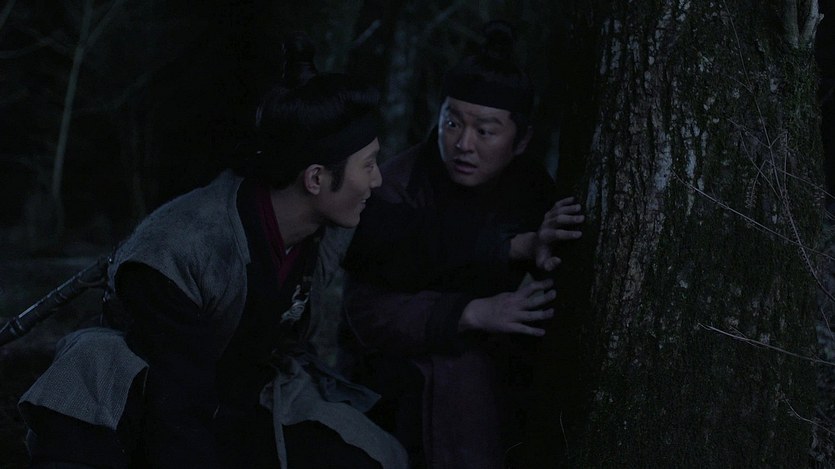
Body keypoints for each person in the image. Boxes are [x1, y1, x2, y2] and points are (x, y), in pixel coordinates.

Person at [19, 33, 407, 469]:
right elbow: (176, 406)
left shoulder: (330, 221)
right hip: (143, 405)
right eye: (368, 165)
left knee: (372, 456)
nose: (377, 180)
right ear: (315, 179)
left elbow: (413, 242)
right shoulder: (181, 250)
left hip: (246, 397)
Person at [341, 21, 584, 469]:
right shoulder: (396, 187)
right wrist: (471, 312)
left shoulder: (532, 189)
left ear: (521, 141)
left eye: (485, 131)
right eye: (452, 123)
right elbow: (367, 311)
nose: (463, 144)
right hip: (403, 382)